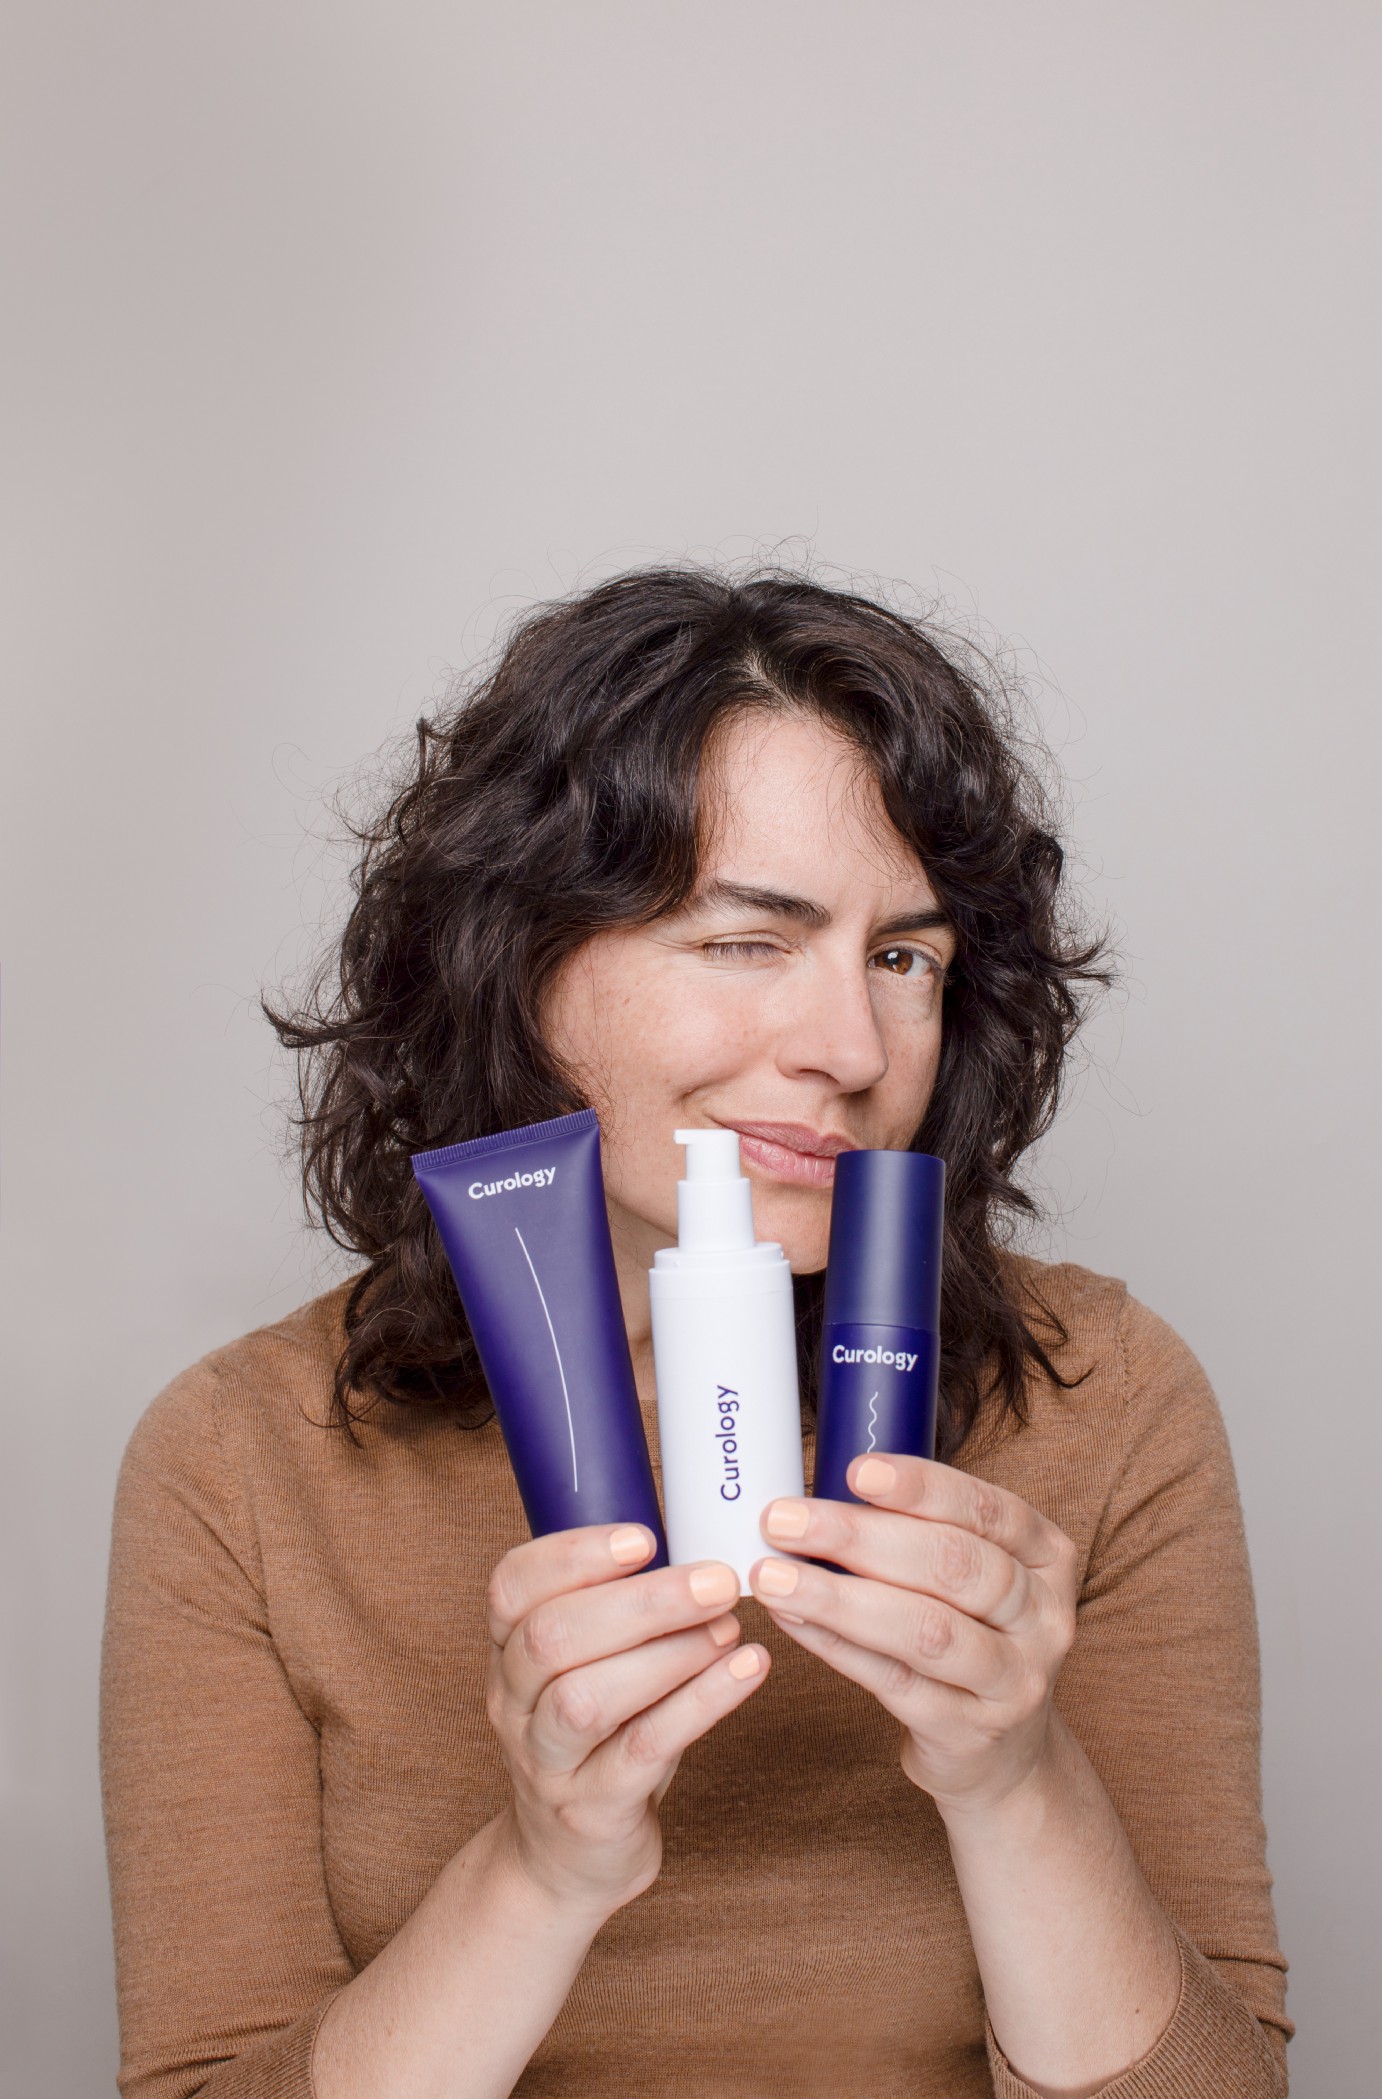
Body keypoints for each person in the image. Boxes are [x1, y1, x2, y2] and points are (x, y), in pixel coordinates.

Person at [100, 567, 1291, 2098]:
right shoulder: (244, 1461)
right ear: (519, 959)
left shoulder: (1104, 1395)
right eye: (746, 941)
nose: (852, 1052)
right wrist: (540, 1875)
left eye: (903, 957)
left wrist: (1015, 1781)